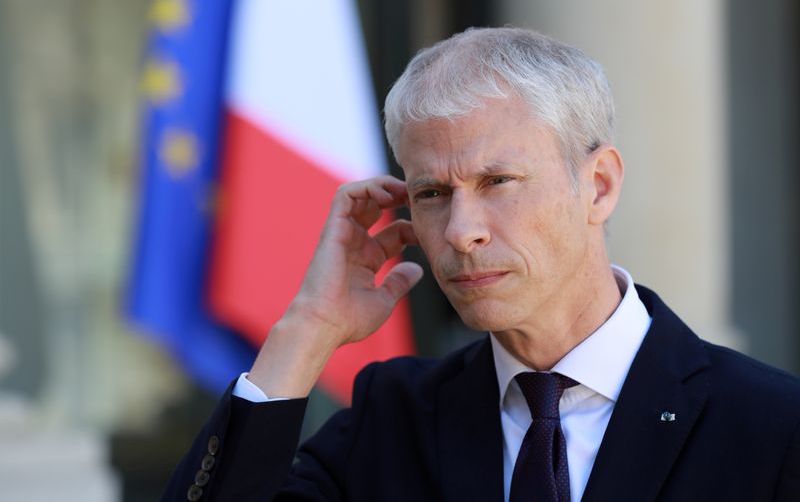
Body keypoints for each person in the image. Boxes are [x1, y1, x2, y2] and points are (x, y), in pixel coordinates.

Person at [162, 27, 800, 502]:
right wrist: (304, 332)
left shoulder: (769, 426)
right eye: (432, 194)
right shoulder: (394, 420)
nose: (461, 232)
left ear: (599, 186)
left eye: (497, 180)